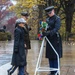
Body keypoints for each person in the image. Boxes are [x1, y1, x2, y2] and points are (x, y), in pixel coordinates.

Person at [43, 6, 62, 75]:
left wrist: (49, 33)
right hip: (49, 39)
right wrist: (44, 31)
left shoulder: (57, 19)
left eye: (50, 12)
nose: (49, 14)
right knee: (50, 55)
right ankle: (52, 71)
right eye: (48, 13)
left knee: (55, 55)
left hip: (55, 38)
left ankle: (56, 71)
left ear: (53, 11)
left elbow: (56, 28)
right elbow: (45, 27)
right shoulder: (47, 19)